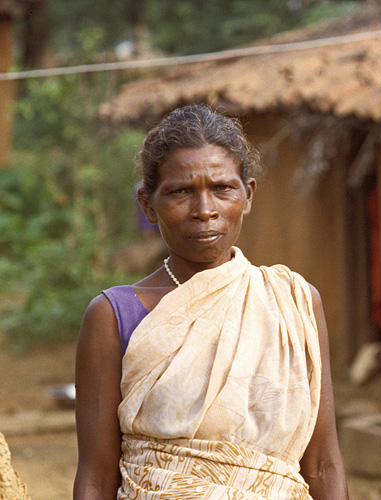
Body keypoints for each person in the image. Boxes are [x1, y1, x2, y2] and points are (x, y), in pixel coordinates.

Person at [73, 104, 348, 499]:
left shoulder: (295, 304)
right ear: (148, 204)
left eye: (222, 189)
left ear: (247, 195)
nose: (205, 211)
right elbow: (96, 477)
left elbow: (323, 463)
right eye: (181, 192)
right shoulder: (114, 315)